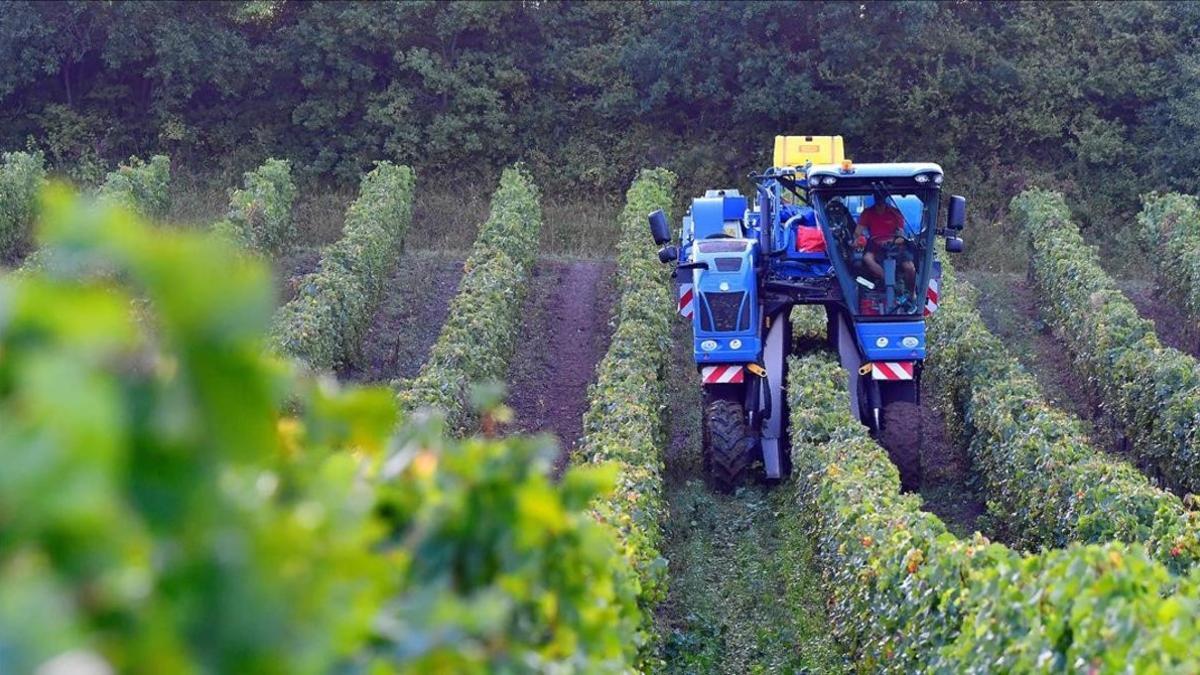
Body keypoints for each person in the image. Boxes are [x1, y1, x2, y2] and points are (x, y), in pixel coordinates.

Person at [854, 189, 916, 288]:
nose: (879, 199)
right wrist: (859, 239)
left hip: (894, 244)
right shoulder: (867, 213)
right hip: (875, 243)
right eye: (877, 196)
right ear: (874, 197)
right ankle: (888, 282)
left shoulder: (895, 213)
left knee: (909, 267)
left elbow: (901, 235)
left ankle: (912, 294)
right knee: (867, 258)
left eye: (881, 197)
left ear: (885, 198)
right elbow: (857, 232)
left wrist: (894, 241)